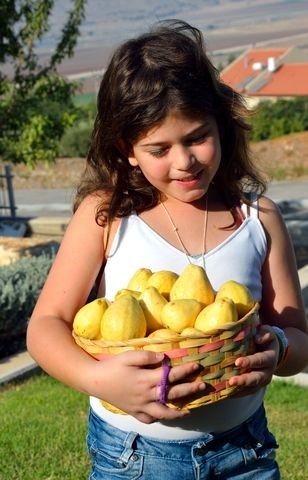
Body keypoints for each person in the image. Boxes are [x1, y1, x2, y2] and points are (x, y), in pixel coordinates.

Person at [27, 19, 308, 479]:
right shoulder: (108, 216)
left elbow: (298, 337)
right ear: (128, 150)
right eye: (159, 148)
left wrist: (277, 348)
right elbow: (45, 327)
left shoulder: (259, 219)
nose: (185, 161)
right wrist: (102, 382)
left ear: (222, 124)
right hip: (134, 456)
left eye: (198, 137)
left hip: (244, 452)